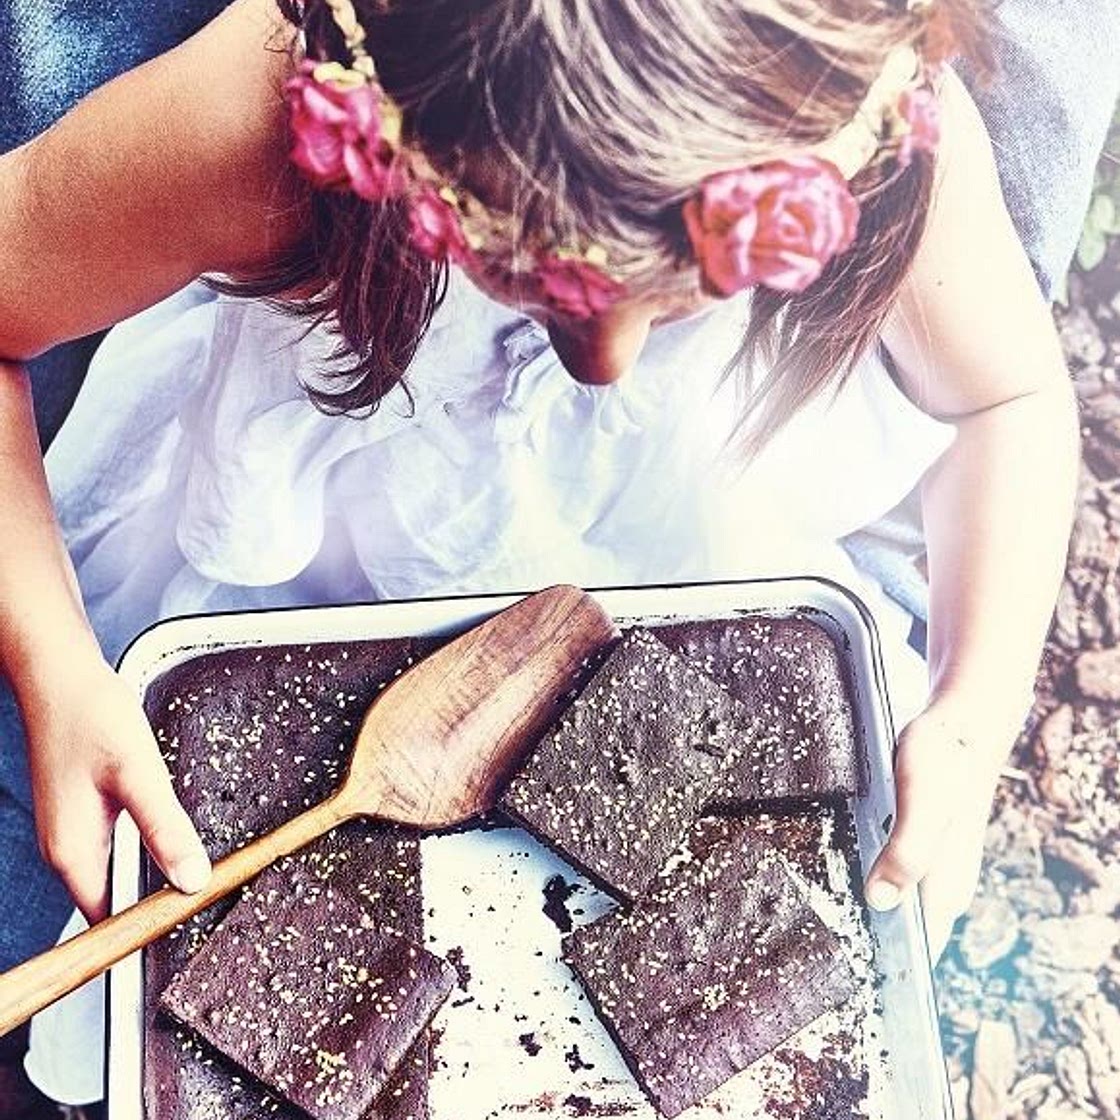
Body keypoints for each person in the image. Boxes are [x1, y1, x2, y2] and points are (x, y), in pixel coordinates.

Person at [0, 0, 1087, 1106]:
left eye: (671, 300)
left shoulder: (875, 131)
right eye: (531, 281)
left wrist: (972, 708)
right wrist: (57, 671)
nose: (604, 363)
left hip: (692, 527)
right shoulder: (250, 131)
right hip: (321, 540)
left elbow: (1010, 399)